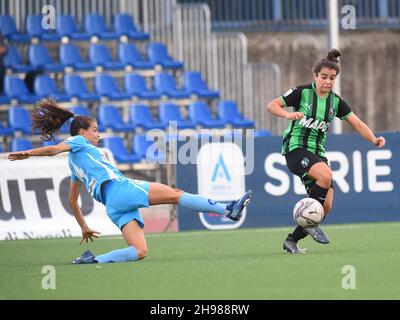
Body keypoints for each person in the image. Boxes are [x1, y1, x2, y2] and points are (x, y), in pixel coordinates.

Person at [8, 97, 253, 264]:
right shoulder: (77, 142)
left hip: (114, 207)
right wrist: (28, 153)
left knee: (139, 251)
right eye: (95, 130)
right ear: (82, 132)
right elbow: (53, 149)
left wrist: (83, 226)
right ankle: (227, 209)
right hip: (120, 189)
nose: (99, 134)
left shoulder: (74, 164)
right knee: (176, 194)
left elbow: (72, 201)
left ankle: (93, 260)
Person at [266, 49, 385, 254]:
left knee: (325, 206)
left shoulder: (336, 102)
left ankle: (291, 240)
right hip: (296, 149)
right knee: (325, 175)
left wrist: (373, 138)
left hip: (317, 153)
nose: (328, 82)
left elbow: (356, 123)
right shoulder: (302, 93)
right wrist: (288, 114)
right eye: (324, 77)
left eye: (332, 78)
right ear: (315, 76)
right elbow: (271, 105)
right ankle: (311, 225)